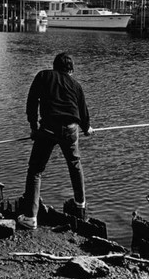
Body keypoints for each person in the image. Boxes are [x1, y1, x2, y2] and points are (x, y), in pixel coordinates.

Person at [17, 53, 93, 230]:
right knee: (75, 164)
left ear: (54, 66)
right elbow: (83, 111)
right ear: (71, 70)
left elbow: (31, 102)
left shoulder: (43, 76)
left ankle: (30, 218)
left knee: (36, 170)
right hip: (71, 129)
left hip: (49, 128)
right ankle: (80, 206)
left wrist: (34, 127)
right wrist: (87, 128)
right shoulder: (76, 85)